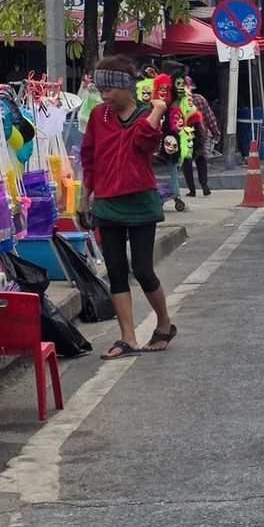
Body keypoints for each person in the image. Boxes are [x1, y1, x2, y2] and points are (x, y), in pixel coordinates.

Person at [80, 56, 177, 358]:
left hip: (139, 203)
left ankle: (163, 324)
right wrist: (85, 198)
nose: (105, 95)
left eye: (109, 89)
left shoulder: (146, 114)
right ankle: (127, 338)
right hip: (107, 204)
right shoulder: (98, 116)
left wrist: (159, 111)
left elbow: (145, 143)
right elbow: (90, 158)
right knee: (116, 271)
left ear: (126, 88)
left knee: (144, 270)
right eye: (101, 89)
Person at [161, 61, 213, 197]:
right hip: (198, 133)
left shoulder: (174, 102)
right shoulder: (200, 99)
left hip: (182, 133)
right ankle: (205, 185)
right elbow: (209, 117)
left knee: (186, 161)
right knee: (201, 159)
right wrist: (215, 132)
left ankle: (192, 190)